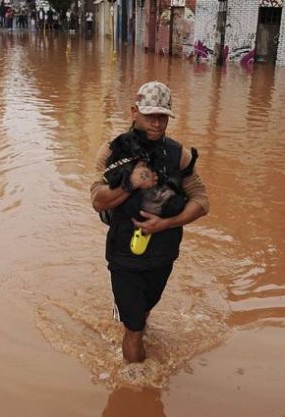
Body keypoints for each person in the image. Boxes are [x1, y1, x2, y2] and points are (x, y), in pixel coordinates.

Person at [90, 81, 209, 363]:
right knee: (134, 328)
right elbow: (98, 201)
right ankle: (135, 384)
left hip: (162, 254)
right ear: (134, 112)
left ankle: (135, 320)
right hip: (124, 255)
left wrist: (166, 224)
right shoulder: (111, 152)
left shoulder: (178, 155)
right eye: (150, 115)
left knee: (144, 312)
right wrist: (129, 184)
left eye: (162, 117)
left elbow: (202, 201)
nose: (157, 123)